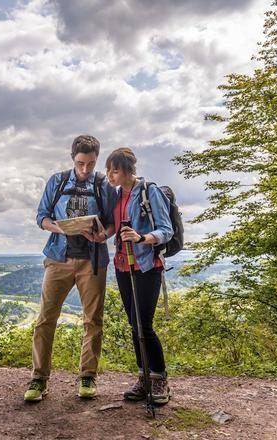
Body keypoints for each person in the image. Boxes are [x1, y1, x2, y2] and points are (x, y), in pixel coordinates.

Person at [24, 135, 116, 401]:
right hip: (58, 257)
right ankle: (38, 379)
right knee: (45, 320)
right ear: (72, 158)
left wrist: (103, 235)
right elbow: (42, 216)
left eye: (90, 163)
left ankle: (88, 377)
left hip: (93, 260)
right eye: (80, 163)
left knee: (93, 321)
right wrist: (60, 228)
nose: (85, 169)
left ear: (97, 159)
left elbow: (111, 223)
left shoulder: (102, 184)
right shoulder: (58, 181)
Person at [105, 147, 173, 404]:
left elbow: (166, 229)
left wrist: (142, 237)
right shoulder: (115, 196)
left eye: (115, 170)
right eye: (108, 170)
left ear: (128, 170)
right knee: (135, 325)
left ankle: (159, 379)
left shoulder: (149, 192)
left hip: (146, 266)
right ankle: (144, 377)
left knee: (144, 324)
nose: (110, 175)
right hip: (123, 266)